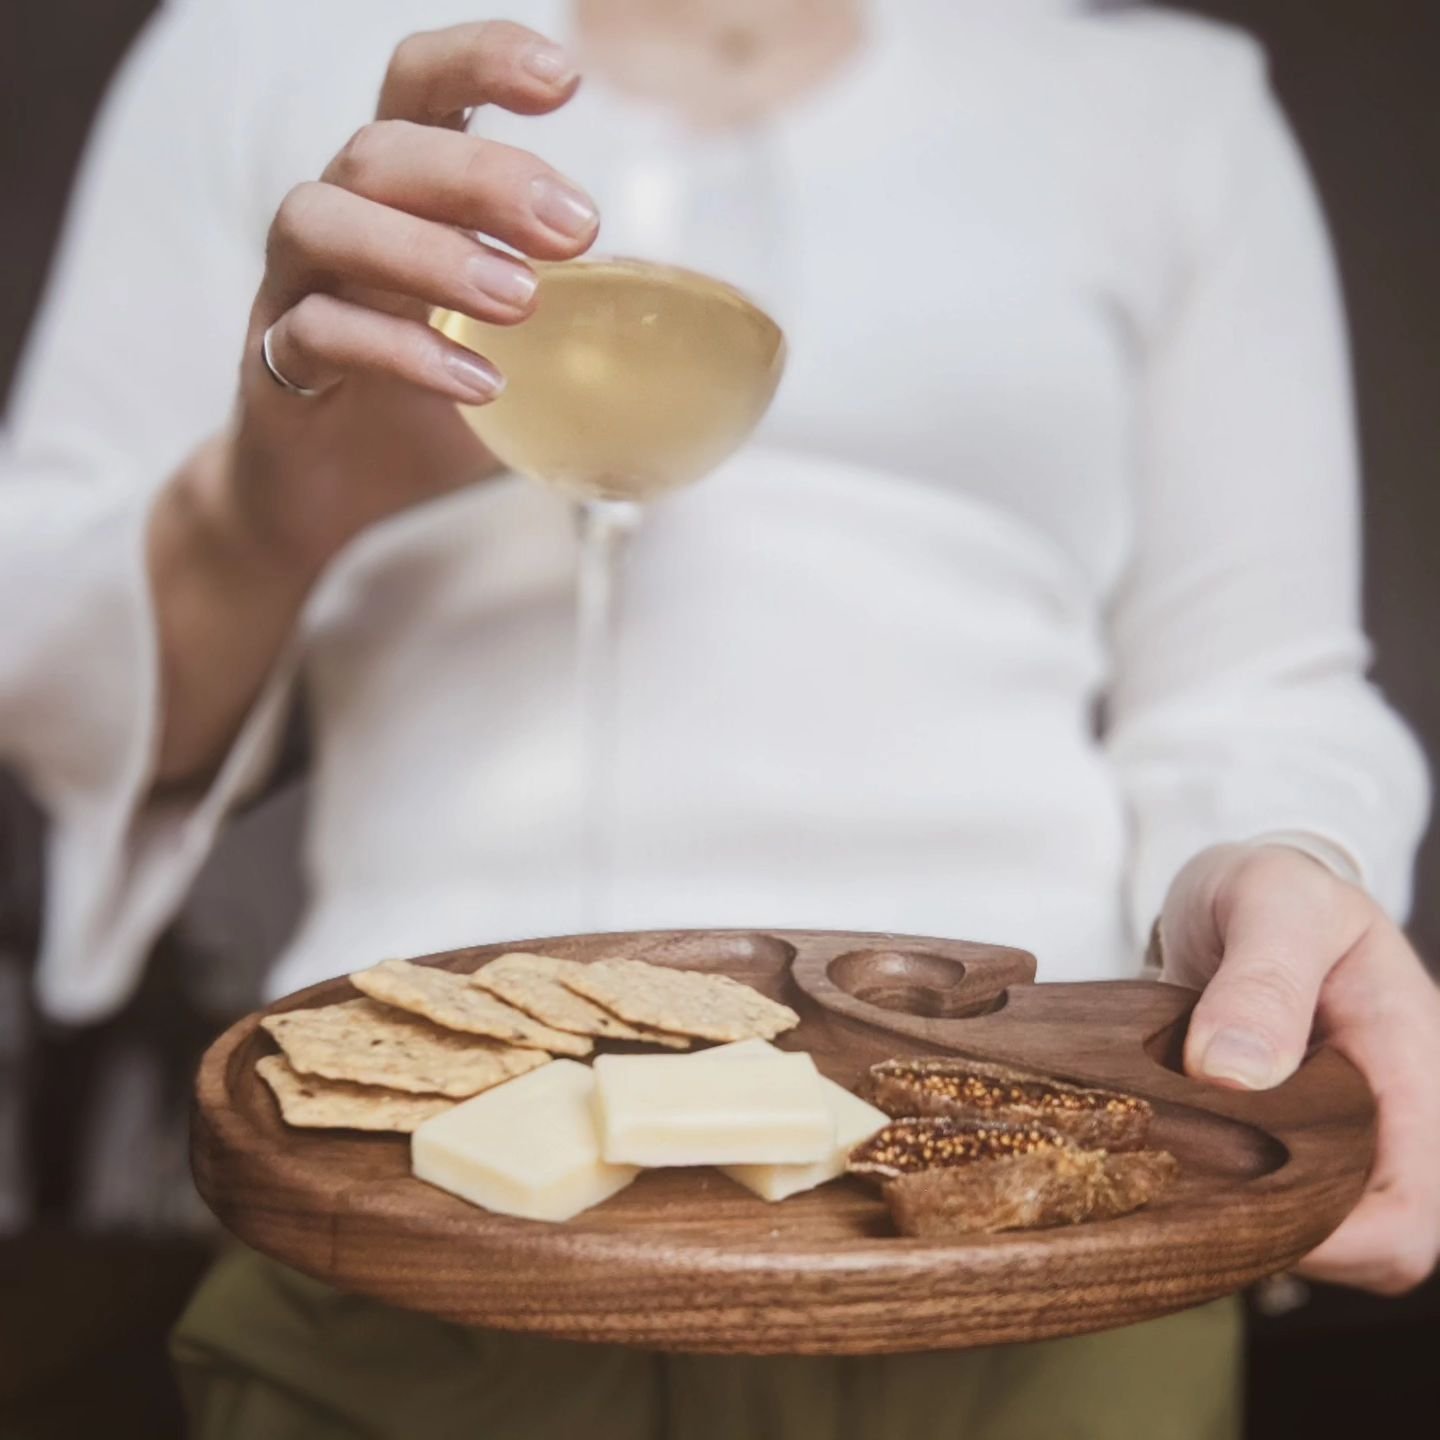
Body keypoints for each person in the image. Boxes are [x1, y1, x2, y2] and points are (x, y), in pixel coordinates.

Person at [2, 0, 1437, 1435]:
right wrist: (266, 513)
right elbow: (52, 713)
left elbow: (1256, 689)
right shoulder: (260, 42)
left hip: (1019, 1211)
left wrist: (1283, 870)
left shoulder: (1166, 108)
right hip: (406, 1211)